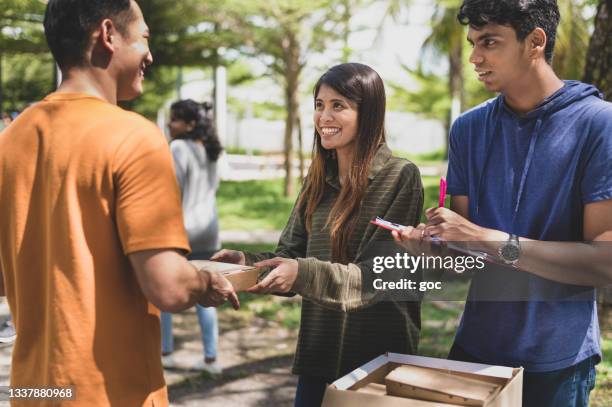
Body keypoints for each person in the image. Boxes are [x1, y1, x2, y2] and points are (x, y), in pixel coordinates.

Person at [0, 1, 238, 406]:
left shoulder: (11, 138)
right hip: (111, 393)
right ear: (108, 35)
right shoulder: (134, 136)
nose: (151, 53)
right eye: (145, 37)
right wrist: (204, 282)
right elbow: (167, 286)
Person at [395, 1, 612, 406]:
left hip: (556, 365)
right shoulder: (468, 129)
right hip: (475, 353)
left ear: (535, 41)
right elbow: (465, 255)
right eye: (473, 43)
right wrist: (431, 249)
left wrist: (488, 239)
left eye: (490, 42)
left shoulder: (599, 124)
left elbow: (604, 262)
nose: (475, 57)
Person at [213, 63, 424, 407]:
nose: (324, 115)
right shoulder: (316, 182)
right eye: (319, 104)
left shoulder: (400, 176)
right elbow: (289, 256)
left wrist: (301, 273)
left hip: (377, 362)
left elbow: (375, 278)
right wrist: (246, 265)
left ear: (368, 113)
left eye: (338, 105)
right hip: (318, 356)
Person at [161, 100, 224, 374]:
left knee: (162, 292)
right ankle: (211, 359)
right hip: (209, 229)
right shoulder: (211, 149)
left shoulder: (177, 148)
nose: (168, 124)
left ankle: (165, 352)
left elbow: (172, 191)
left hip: (182, 231)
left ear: (189, 123)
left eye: (174, 120)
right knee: (205, 293)